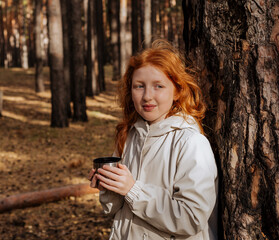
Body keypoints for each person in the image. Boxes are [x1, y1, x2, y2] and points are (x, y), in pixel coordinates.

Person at [88, 39, 218, 240]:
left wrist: (133, 190)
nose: (147, 96)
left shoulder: (191, 143)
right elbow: (113, 209)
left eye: (159, 86)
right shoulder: (129, 135)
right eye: (139, 86)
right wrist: (109, 186)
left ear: (177, 91)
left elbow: (192, 218)